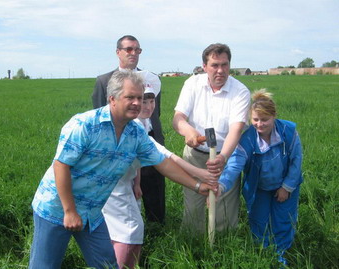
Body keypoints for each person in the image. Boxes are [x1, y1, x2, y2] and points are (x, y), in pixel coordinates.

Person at [29, 70, 215, 269]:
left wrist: (197, 186)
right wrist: (70, 211)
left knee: (107, 265)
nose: (137, 103)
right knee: (45, 265)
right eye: (130, 97)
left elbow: (163, 163)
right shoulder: (84, 125)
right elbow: (61, 165)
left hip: (92, 212)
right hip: (56, 207)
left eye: (140, 97)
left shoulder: (136, 133)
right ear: (112, 99)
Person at [102, 71, 218, 269]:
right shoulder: (133, 124)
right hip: (109, 185)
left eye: (149, 101)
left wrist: (137, 182)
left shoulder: (143, 123)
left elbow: (144, 157)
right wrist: (199, 175)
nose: (145, 106)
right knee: (128, 230)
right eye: (137, 99)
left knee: (130, 228)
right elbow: (164, 155)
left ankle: (129, 261)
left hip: (124, 180)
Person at [217, 89, 303, 265]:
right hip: (259, 187)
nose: (259, 124)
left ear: (274, 117)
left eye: (265, 120)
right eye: (255, 120)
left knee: (283, 220)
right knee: (259, 221)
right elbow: (234, 165)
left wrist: (287, 187)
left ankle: (281, 255)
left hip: (285, 185)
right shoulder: (247, 139)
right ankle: (263, 254)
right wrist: (221, 185)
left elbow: (296, 161)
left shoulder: (289, 131)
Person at [173, 43, 251, 233]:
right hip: (195, 156)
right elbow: (178, 118)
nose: (220, 70)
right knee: (193, 207)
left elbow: (236, 129)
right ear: (204, 66)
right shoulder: (192, 83)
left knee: (224, 211)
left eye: (224, 65)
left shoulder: (240, 91)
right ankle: (194, 248)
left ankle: (222, 251)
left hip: (225, 157)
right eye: (215, 65)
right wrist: (189, 132)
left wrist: (222, 158)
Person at [92, 35, 166, 224]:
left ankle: (157, 229)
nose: (134, 53)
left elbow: (155, 112)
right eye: (129, 49)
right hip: (119, 146)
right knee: (125, 194)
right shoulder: (104, 81)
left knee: (155, 190)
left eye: (137, 50)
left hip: (151, 140)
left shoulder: (151, 79)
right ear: (118, 52)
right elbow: (99, 115)